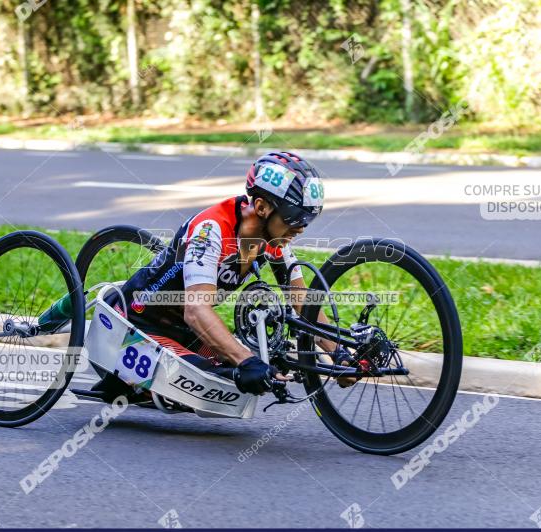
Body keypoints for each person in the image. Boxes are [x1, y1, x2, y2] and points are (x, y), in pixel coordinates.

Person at [98, 151, 355, 398]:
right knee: (220, 384)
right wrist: (247, 362)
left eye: (307, 220)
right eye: (294, 218)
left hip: (187, 333)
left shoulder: (275, 240)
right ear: (262, 207)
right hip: (139, 325)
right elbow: (196, 310)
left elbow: (302, 302)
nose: (300, 229)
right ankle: (128, 384)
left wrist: (339, 353)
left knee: (248, 380)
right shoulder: (210, 231)